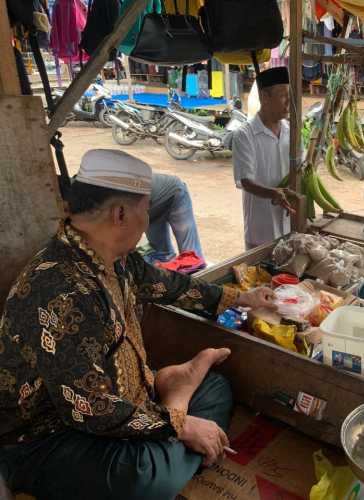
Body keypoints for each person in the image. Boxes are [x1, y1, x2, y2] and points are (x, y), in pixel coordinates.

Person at [0, 149, 276, 500]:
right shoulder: (59, 292)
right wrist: (180, 422)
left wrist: (240, 298)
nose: (148, 220)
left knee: (218, 387)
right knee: (145, 480)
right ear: (120, 213)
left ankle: (171, 396)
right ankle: (175, 396)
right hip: (48, 436)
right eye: (146, 210)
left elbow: (170, 285)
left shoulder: (117, 259)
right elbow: (89, 409)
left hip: (122, 403)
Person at [232, 66, 297, 250]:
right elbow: (245, 181)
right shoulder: (245, 135)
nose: (288, 102)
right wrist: (273, 193)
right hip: (260, 230)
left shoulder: (290, 131)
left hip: (289, 227)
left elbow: (300, 167)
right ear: (264, 97)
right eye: (283, 95)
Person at [146, 173, 205, 264]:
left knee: (191, 256)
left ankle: (196, 276)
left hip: (174, 193)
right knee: (161, 255)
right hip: (152, 207)